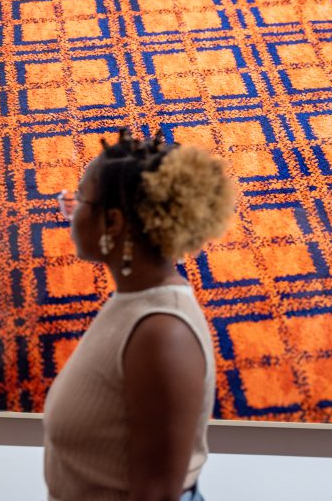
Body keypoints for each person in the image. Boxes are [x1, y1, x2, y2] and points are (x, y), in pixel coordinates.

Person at [43, 128, 236, 501]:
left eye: (81, 198)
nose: (70, 208)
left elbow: (157, 494)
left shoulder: (162, 332)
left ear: (112, 223)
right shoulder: (133, 302)